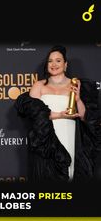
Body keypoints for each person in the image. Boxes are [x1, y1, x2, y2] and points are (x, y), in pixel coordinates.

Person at [15, 45, 101, 182]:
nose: (54, 64)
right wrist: (60, 115)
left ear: (65, 64)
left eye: (58, 60)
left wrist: (78, 99)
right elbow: (34, 115)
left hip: (70, 136)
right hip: (45, 141)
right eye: (50, 61)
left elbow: (87, 118)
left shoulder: (77, 84)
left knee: (70, 174)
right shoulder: (39, 86)